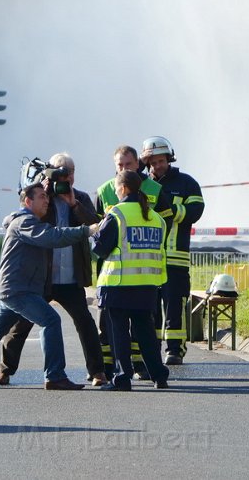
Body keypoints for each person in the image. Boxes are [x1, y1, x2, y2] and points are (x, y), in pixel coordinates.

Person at [0, 182, 98, 391]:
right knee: (50, 320)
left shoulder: (28, 221)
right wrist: (86, 231)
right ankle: (55, 376)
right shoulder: (25, 222)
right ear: (27, 201)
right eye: (41, 197)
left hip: (13, 289)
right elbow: (53, 236)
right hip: (19, 290)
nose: (46, 200)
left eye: (47, 197)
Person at [0, 153, 108, 387]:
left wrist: (73, 203)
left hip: (71, 276)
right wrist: (44, 191)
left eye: (70, 172)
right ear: (49, 173)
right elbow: (20, 218)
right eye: (61, 172)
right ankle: (4, 371)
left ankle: (97, 372)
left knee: (85, 323)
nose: (67, 177)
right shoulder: (41, 198)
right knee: (20, 325)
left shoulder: (81, 197)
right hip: (43, 277)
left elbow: (96, 224)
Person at [95, 145, 172, 379]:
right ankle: (159, 375)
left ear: (123, 188)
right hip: (148, 285)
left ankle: (122, 377)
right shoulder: (156, 218)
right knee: (147, 334)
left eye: (117, 188)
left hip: (118, 284)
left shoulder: (117, 214)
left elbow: (100, 248)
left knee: (119, 333)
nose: (116, 192)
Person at [141, 136, 204, 365]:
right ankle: (152, 349)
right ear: (147, 163)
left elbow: (196, 210)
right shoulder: (143, 184)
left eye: (161, 161)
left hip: (176, 257)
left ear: (169, 158)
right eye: (153, 162)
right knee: (150, 309)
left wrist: (169, 209)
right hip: (149, 258)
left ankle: (175, 350)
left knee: (175, 305)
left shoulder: (187, 183)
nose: (158, 166)